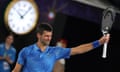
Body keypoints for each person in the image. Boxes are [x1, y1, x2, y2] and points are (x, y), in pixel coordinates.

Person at [12, 23, 110, 72]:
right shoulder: (25, 51)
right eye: (46, 36)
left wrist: (99, 42)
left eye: (50, 36)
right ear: (39, 35)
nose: (49, 38)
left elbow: (78, 50)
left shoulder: (55, 52)